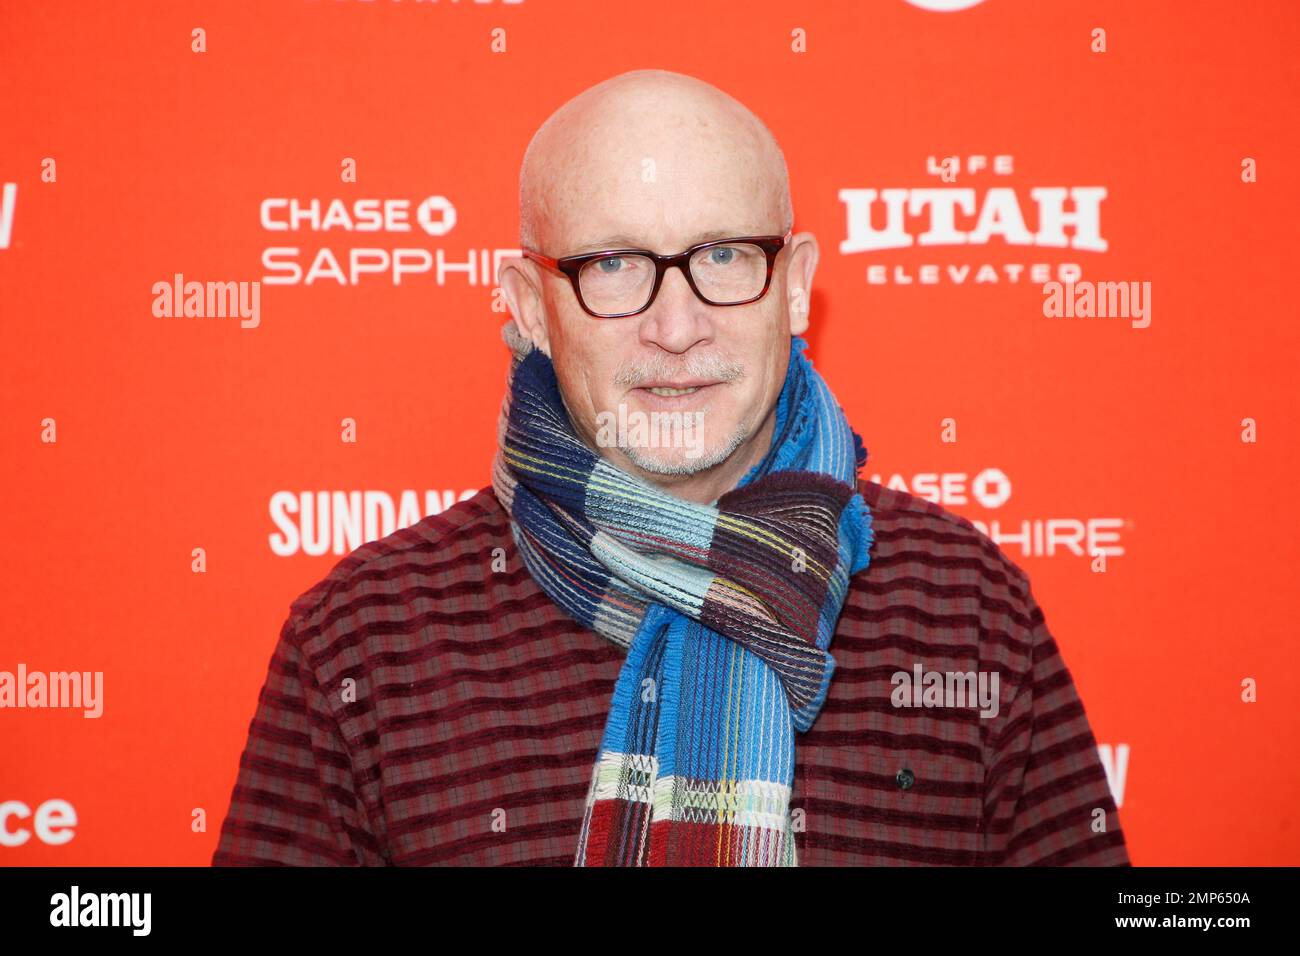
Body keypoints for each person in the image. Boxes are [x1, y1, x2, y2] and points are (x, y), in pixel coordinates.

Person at [212, 68, 1128, 867]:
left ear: (798, 283)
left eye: (725, 255)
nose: (677, 327)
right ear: (531, 304)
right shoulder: (364, 642)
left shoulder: (965, 606)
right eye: (613, 266)